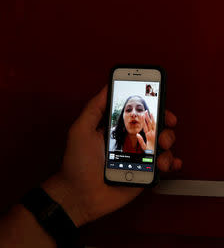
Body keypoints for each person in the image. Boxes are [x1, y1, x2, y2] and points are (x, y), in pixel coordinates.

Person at [0, 86, 182, 247]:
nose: (134, 113)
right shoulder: (110, 145)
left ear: (147, 116)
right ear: (123, 117)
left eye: (140, 109)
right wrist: (73, 196)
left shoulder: (149, 147)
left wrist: (74, 200)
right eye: (128, 109)